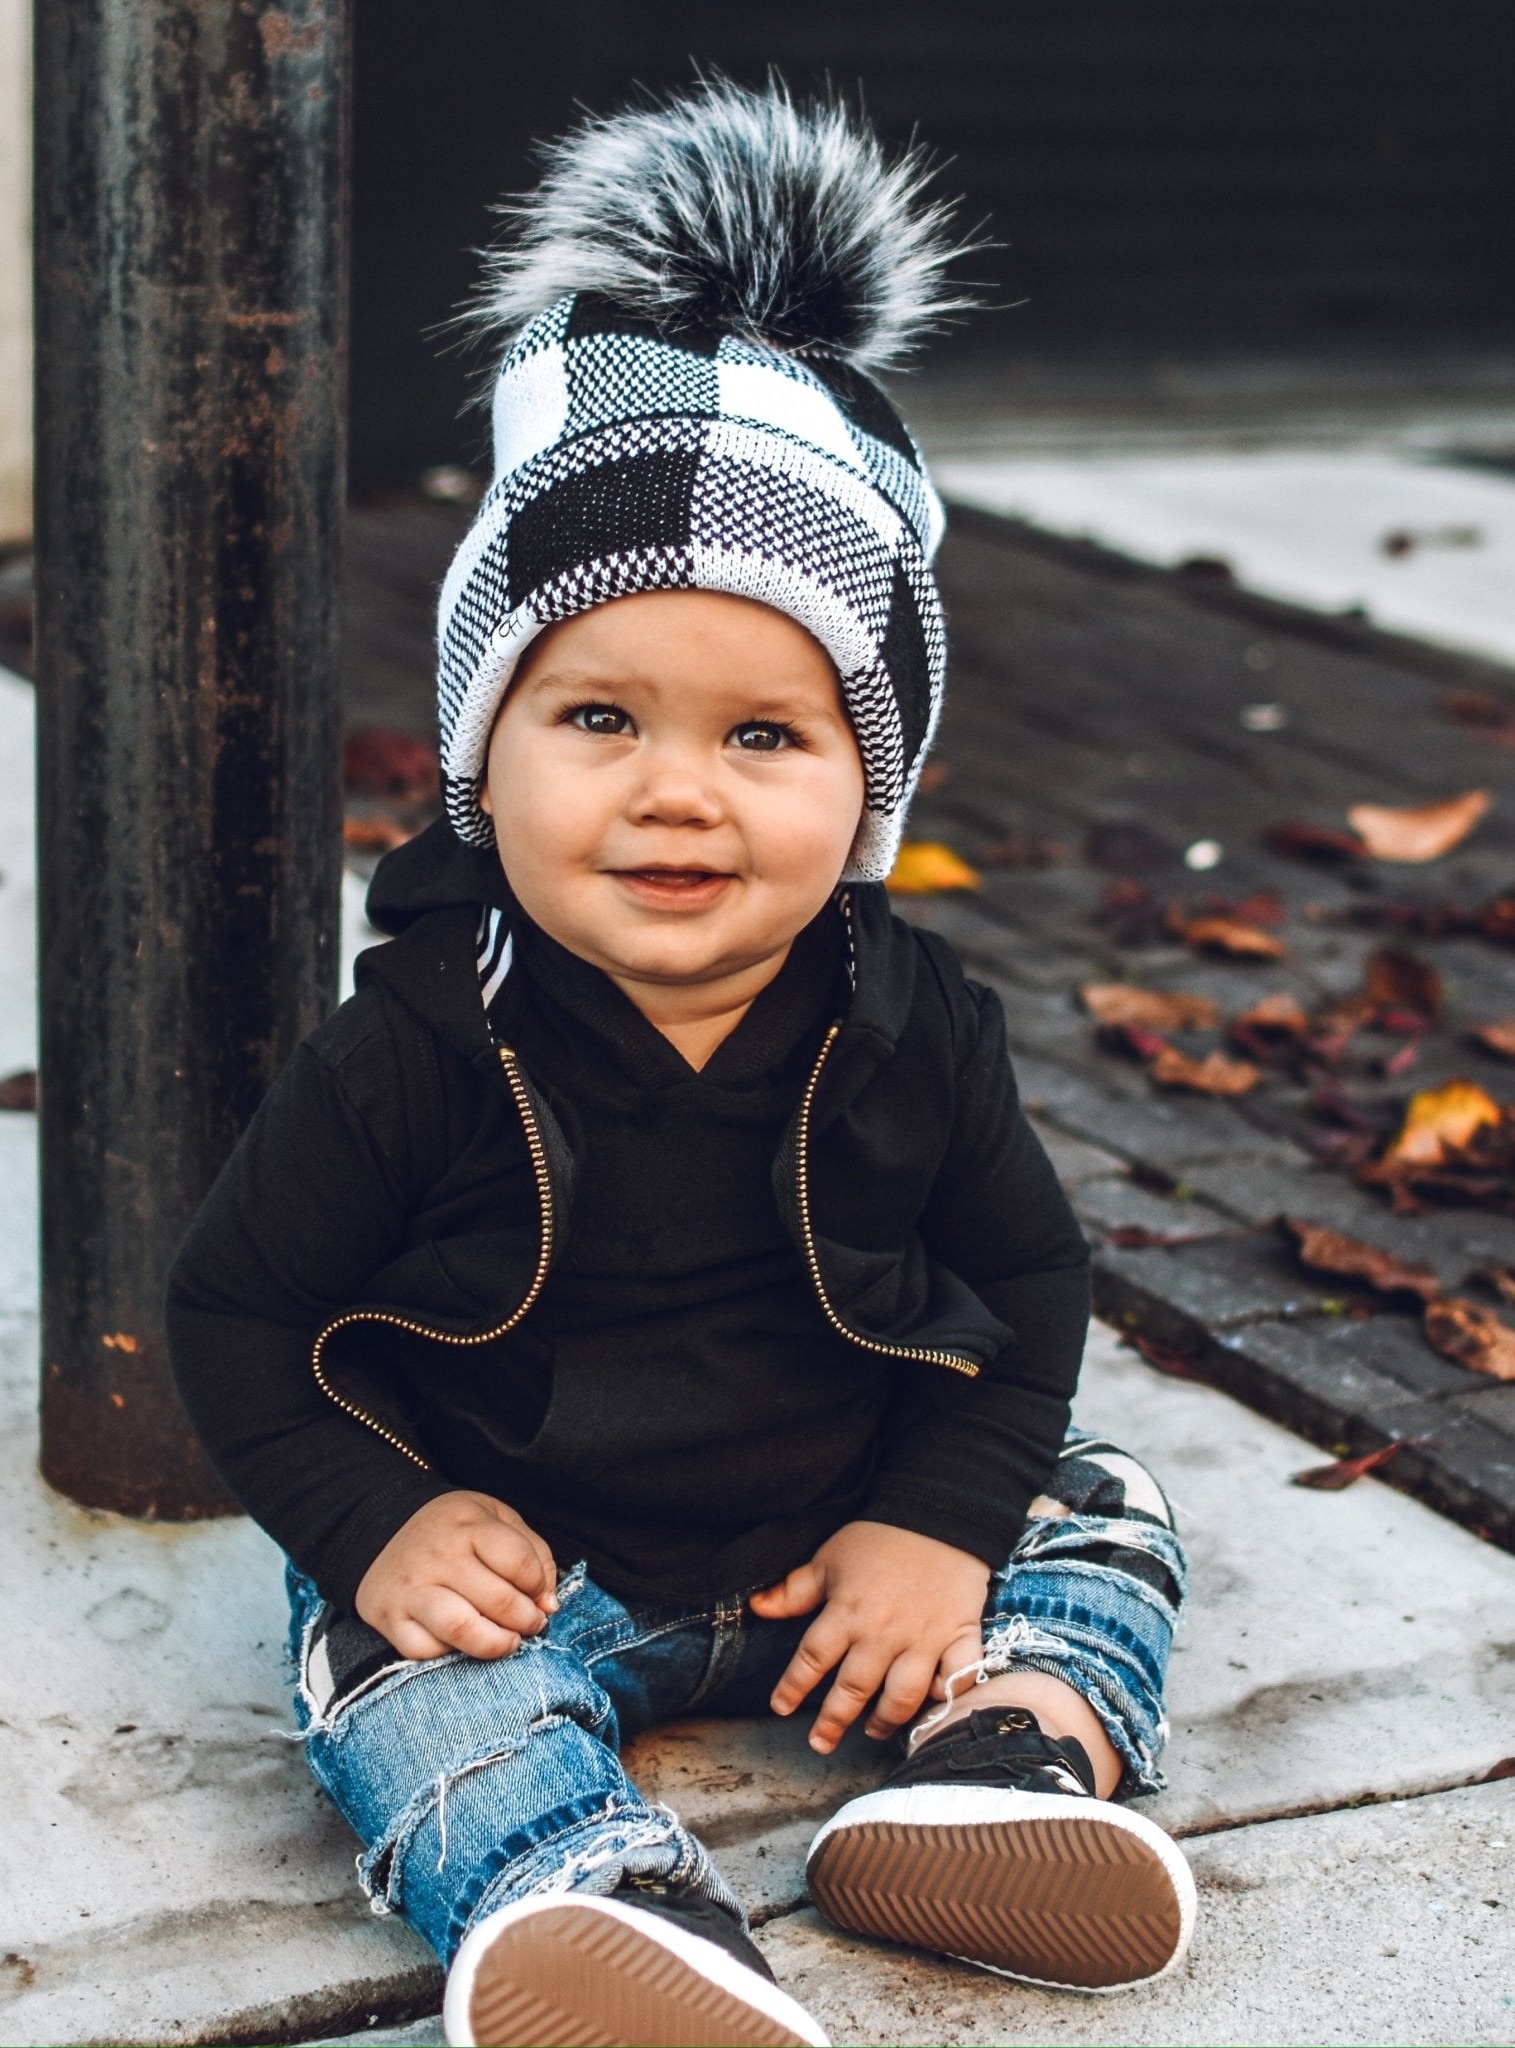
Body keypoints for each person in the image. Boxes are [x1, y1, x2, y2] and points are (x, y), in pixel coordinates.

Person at [168, 78, 1192, 2048]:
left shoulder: (919, 1019)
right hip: (534, 1556)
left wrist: (936, 1522)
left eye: (763, 738)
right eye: (603, 715)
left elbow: (1033, 1290)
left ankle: (1003, 1761)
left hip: (843, 1546)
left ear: (869, 785)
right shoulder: (414, 1043)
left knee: (1096, 1494)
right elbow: (236, 1310)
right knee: (365, 1652)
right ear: (488, 749)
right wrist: (377, 1519)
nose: (673, 795)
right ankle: (583, 1894)